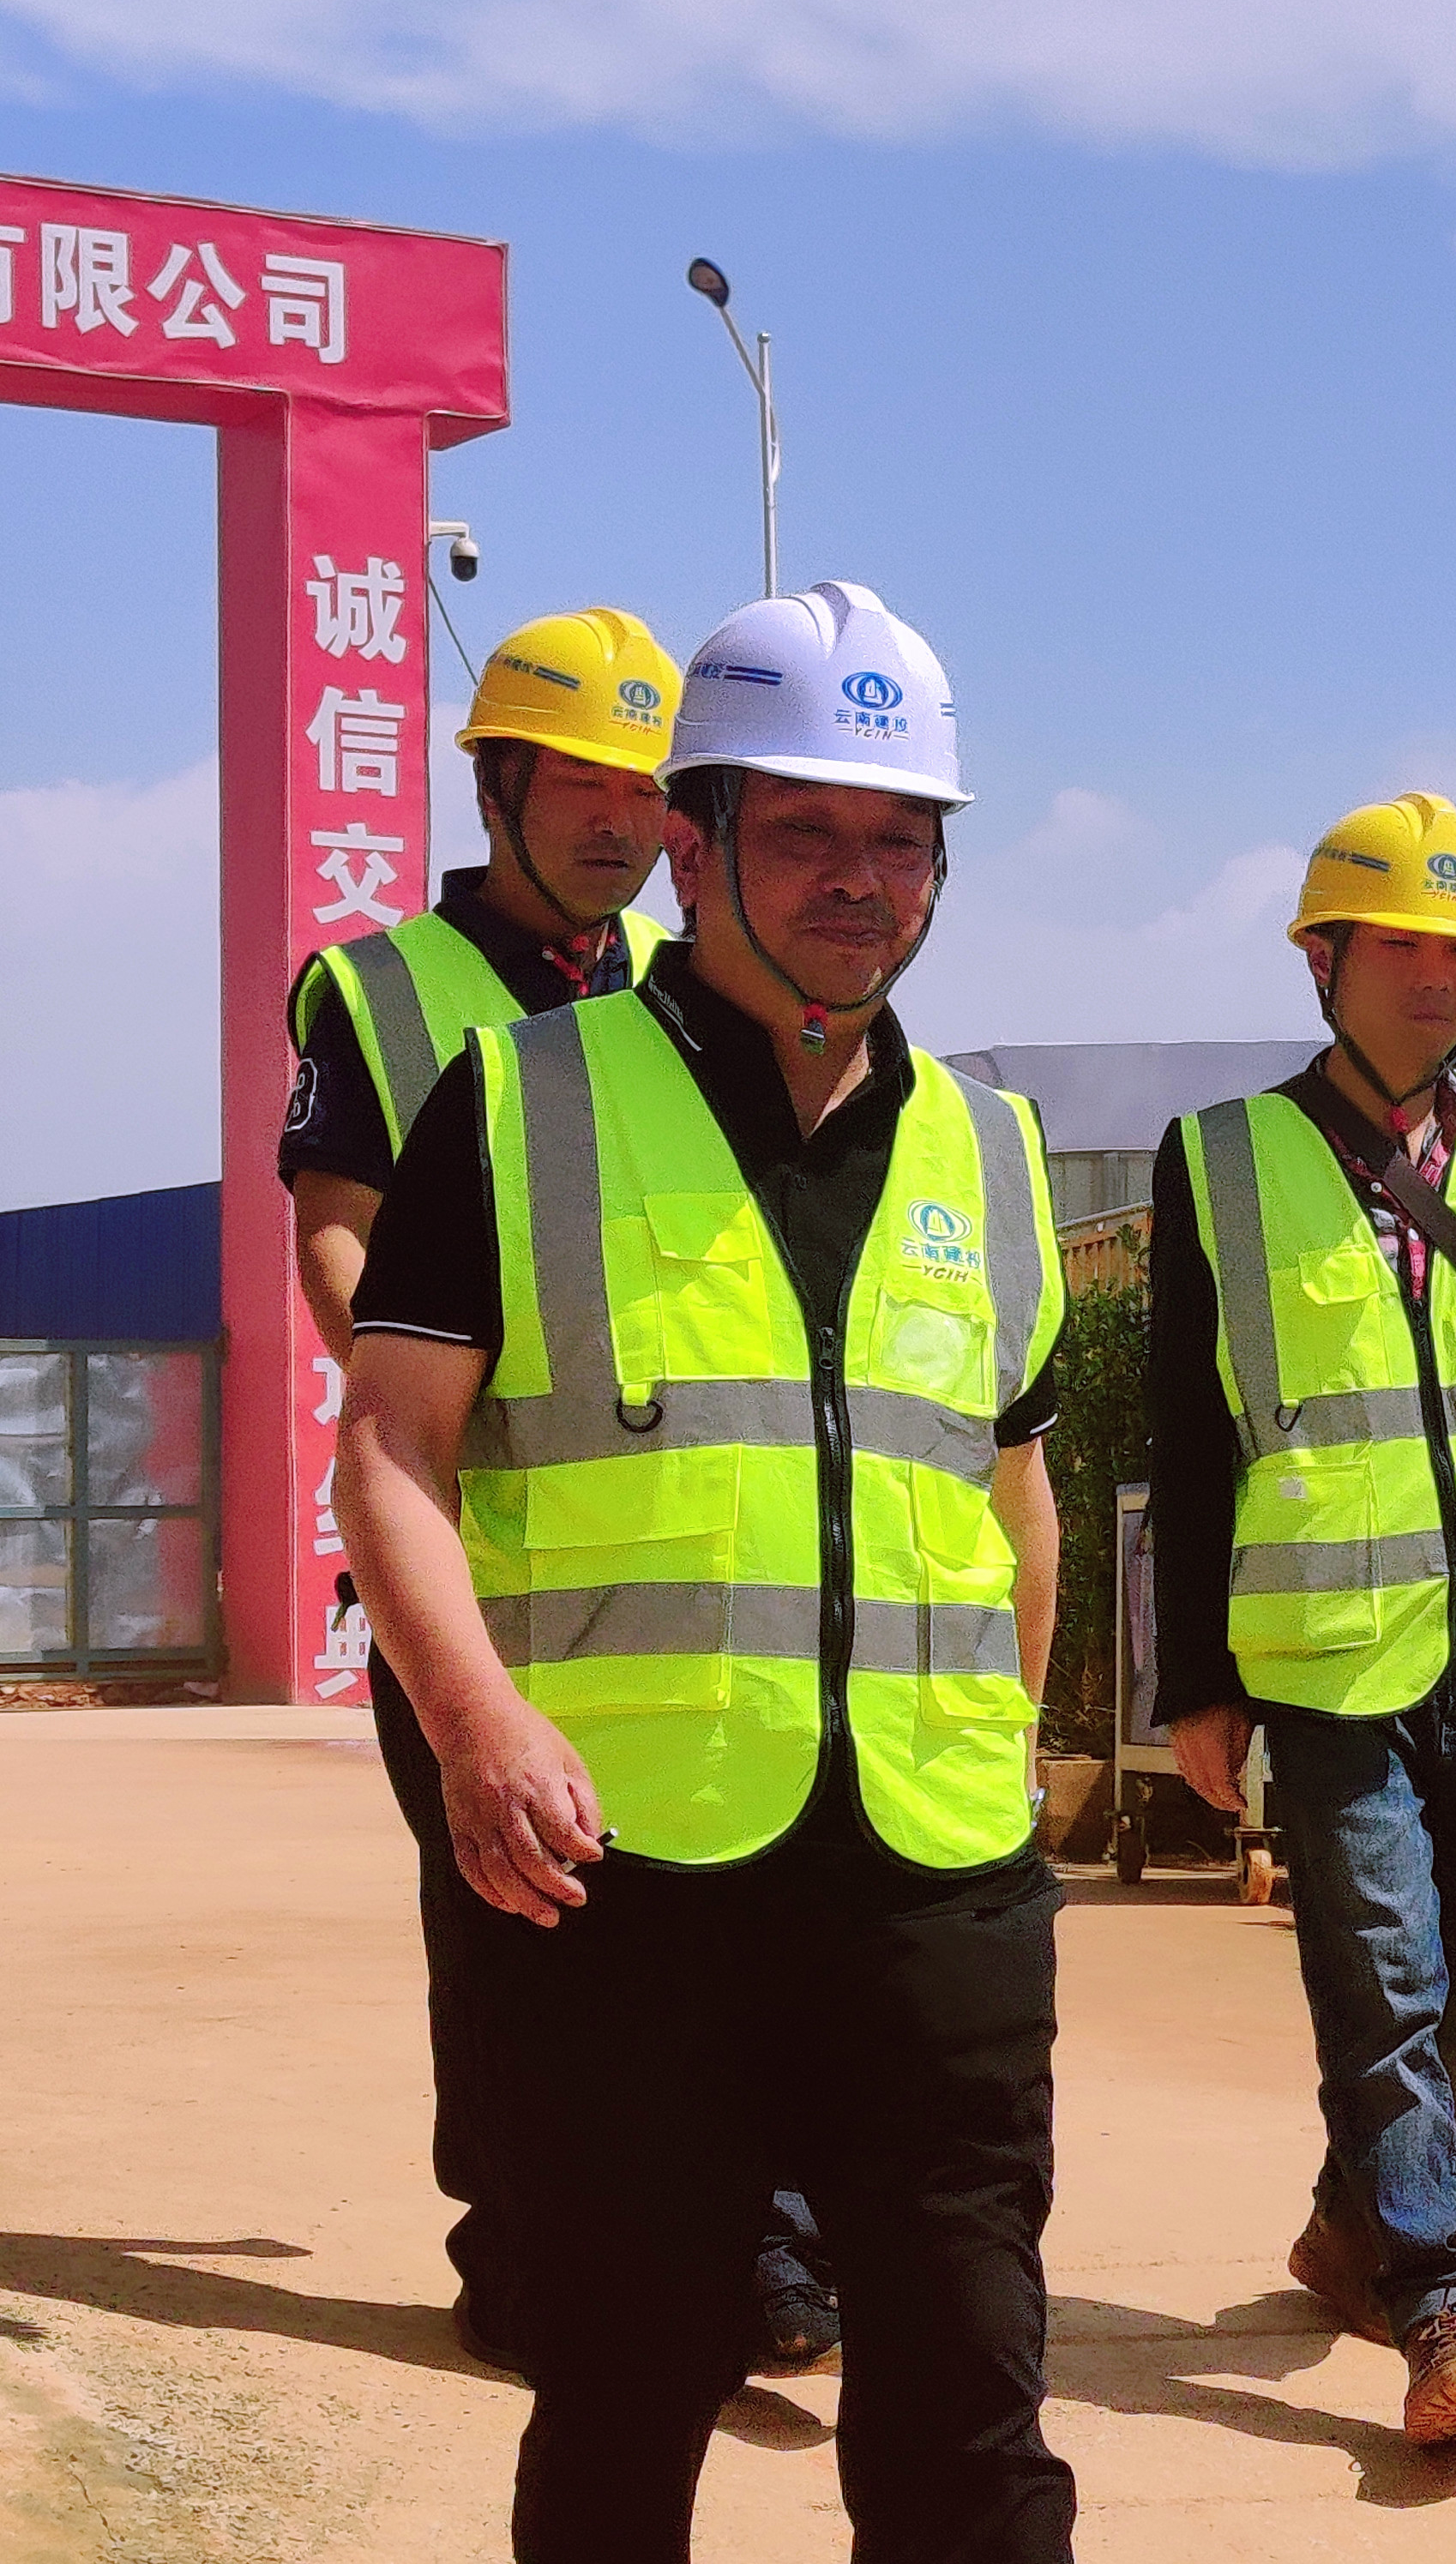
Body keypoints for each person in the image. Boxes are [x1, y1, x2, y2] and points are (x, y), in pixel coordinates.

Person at [334, 581, 1076, 2562]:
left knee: (973, 2419)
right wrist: (475, 1725)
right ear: (693, 840)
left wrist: (1007, 1740)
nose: (859, 879)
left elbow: (1010, 1488)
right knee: (627, 2394)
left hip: (934, 1886)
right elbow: (390, 1443)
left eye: (900, 838)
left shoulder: (992, 1150)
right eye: (805, 829)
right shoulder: (523, 1100)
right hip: (634, 1879)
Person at [277, 608, 862, 2382]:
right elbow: (337, 1239)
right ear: (497, 787)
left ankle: (763, 2248)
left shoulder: (695, 986)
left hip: (677, 1552)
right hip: (471, 1560)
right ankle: (518, 2246)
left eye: (640, 789)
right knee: (508, 1922)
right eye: (579, 785)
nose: (617, 821)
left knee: (743, 1898)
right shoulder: (382, 993)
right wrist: (437, 1421)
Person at [1146, 792, 1456, 2447]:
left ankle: (1352, 2222)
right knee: (1386, 1976)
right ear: (1322, 960)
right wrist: (1196, 1681)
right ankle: (1437, 2297)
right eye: (1403, 947)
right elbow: (1187, 1430)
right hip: (1331, 1655)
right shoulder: (1221, 1158)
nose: (1436, 979)